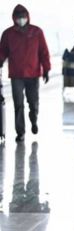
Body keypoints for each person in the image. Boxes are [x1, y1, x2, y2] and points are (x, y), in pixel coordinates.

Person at [0, 4, 50, 142]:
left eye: (23, 17)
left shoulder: (37, 32)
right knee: (18, 104)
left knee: (33, 103)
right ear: (14, 18)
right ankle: (20, 132)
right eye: (18, 17)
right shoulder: (8, 34)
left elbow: (43, 52)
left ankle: (33, 120)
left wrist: (46, 69)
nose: (21, 20)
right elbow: (2, 51)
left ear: (27, 17)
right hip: (16, 75)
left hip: (33, 74)